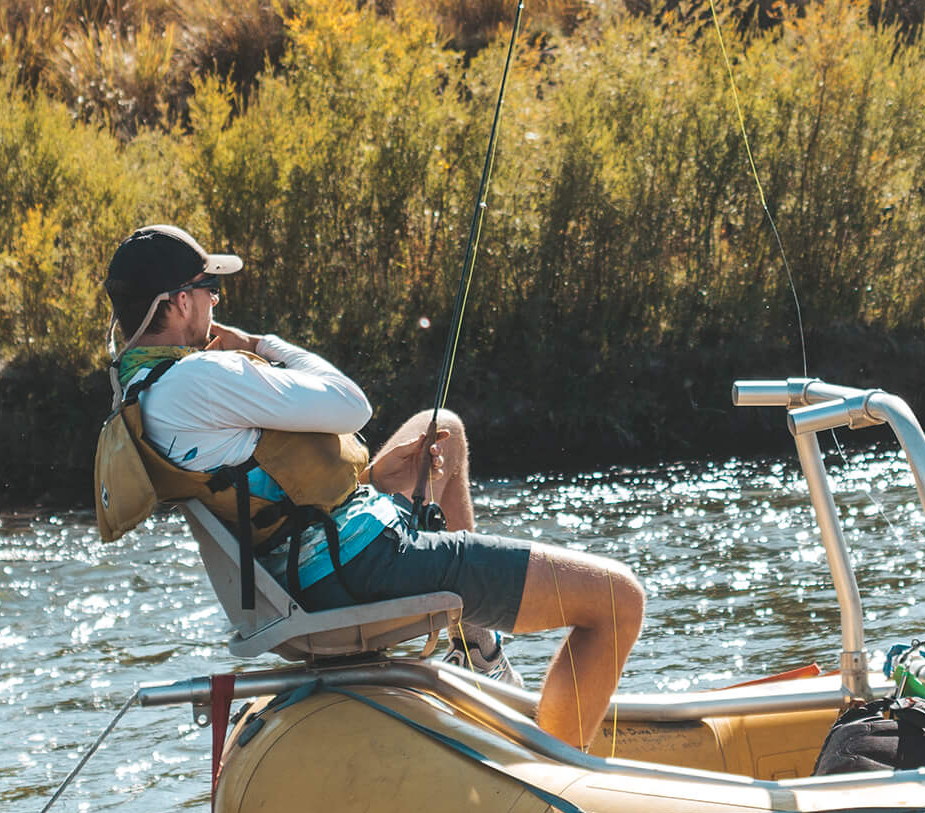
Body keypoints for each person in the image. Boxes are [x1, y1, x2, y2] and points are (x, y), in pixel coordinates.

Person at [102, 225, 644, 750]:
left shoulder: (137, 389)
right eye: (210, 290)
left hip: (312, 554)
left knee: (443, 428)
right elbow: (350, 402)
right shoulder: (201, 379)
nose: (217, 303)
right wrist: (261, 344)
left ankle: (477, 651)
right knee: (618, 602)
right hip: (361, 564)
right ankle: (557, 775)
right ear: (177, 304)